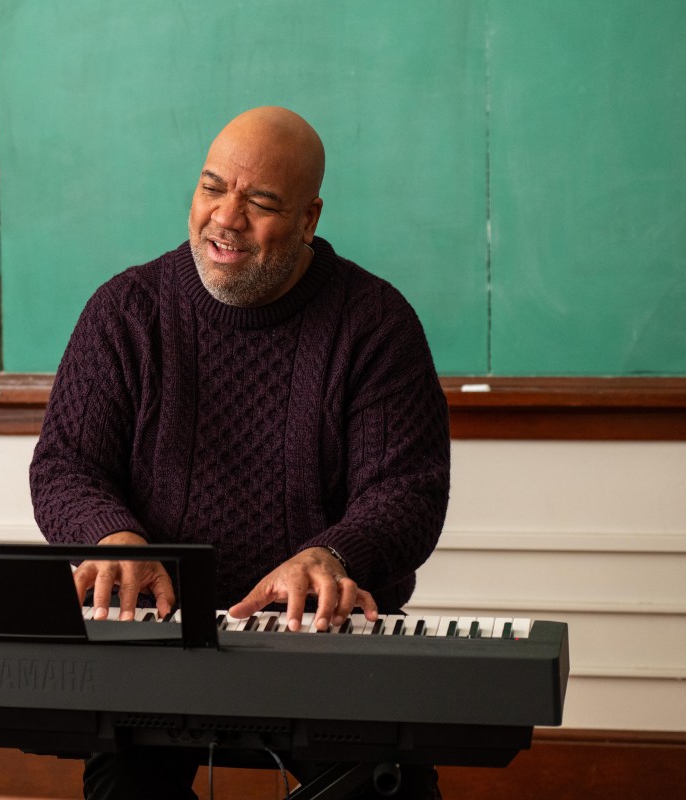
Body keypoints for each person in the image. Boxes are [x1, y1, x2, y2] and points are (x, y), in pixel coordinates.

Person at [29, 106, 450, 799]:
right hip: (154, 645)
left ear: (310, 219)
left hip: (326, 644)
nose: (225, 218)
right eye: (211, 187)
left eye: (259, 203)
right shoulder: (126, 309)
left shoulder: (375, 324)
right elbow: (65, 465)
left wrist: (334, 554)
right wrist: (112, 537)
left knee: (381, 788)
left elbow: (408, 490)